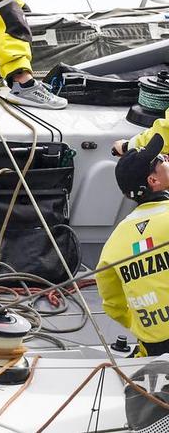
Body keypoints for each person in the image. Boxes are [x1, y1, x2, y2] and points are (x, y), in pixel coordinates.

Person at [96, 135, 169, 356]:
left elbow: (112, 305)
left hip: (152, 345)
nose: (166, 155)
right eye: (160, 160)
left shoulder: (114, 242)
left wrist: (139, 324)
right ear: (153, 181)